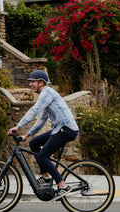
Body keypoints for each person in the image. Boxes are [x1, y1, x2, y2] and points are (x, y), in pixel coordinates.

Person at [7, 70, 79, 200]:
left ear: (41, 83)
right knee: (33, 143)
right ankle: (45, 176)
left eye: (33, 81)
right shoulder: (45, 95)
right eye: (30, 82)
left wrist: (18, 126)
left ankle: (62, 185)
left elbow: (34, 111)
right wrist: (27, 135)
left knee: (42, 156)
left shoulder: (47, 92)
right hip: (59, 128)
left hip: (66, 129)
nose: (30, 84)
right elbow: (42, 119)